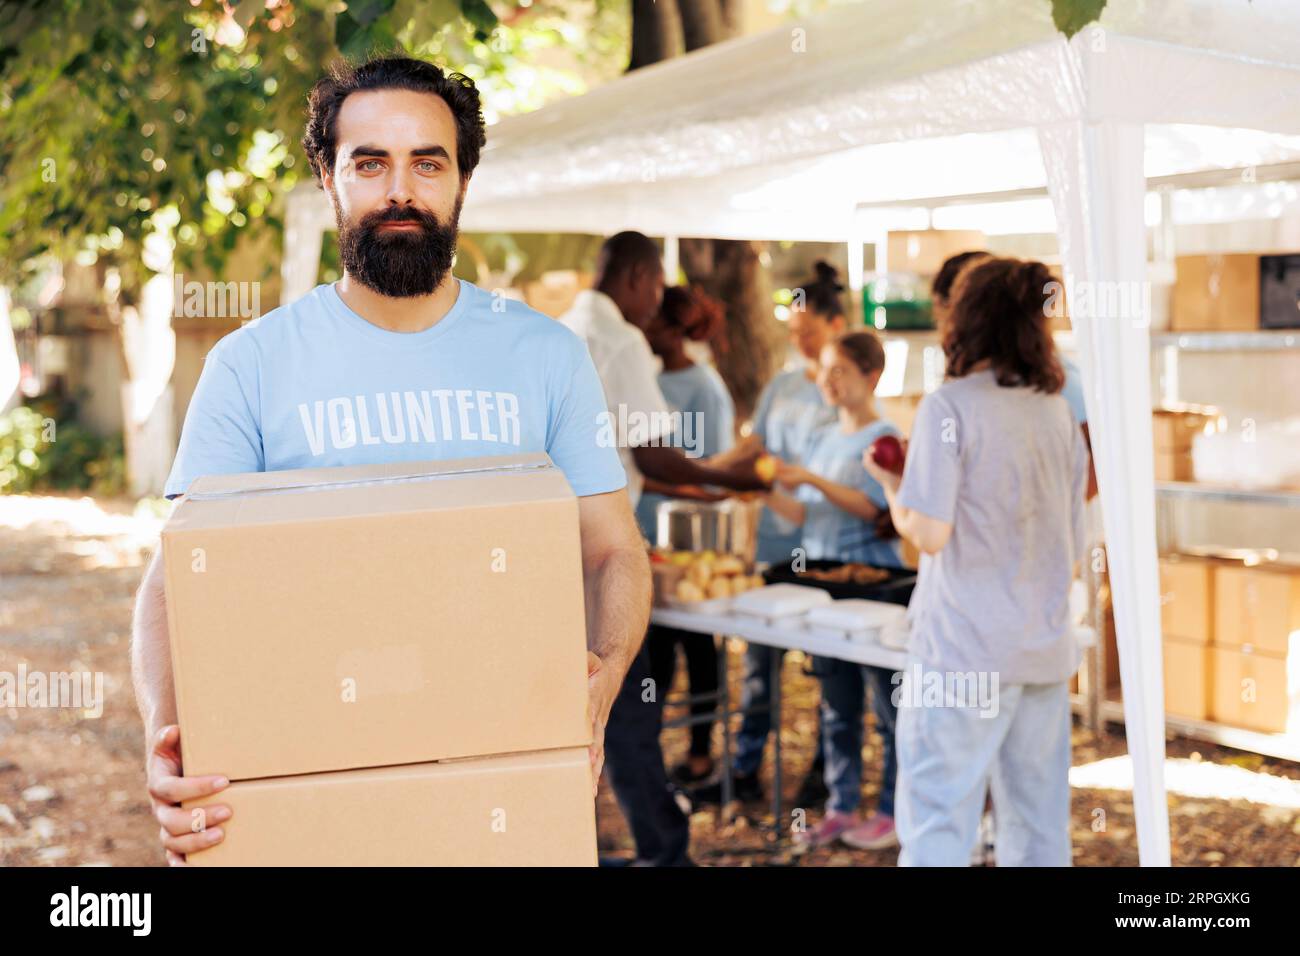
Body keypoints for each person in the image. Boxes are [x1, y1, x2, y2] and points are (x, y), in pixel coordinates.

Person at [131, 56, 650, 864]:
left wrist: (607, 674)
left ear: (462, 182)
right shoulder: (251, 365)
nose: (399, 189)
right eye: (369, 162)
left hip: (502, 793)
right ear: (329, 180)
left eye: (427, 162)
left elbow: (615, 549)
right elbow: (175, 580)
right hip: (308, 798)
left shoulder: (547, 356)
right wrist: (169, 734)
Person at [865, 256, 1090, 867]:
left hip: (963, 650)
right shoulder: (1056, 412)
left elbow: (930, 534)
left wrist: (891, 485)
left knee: (939, 823)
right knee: (1038, 826)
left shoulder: (951, 407)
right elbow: (1072, 538)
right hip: (1041, 647)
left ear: (965, 319)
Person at [559, 232, 767, 866]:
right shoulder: (618, 339)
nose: (658, 301)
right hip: (603, 550)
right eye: (655, 285)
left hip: (556, 548)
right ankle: (664, 850)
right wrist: (732, 478)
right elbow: (650, 451)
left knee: (574, 708)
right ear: (639, 277)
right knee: (627, 711)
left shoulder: (560, 328)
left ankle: (575, 846)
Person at [763, 331, 904, 850]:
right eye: (824, 369)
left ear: (871, 376)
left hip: (873, 589)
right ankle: (842, 806)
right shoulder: (822, 437)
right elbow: (804, 513)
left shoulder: (885, 437)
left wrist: (814, 481)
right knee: (836, 706)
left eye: (839, 370)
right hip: (821, 587)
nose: (827, 379)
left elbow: (878, 512)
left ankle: (892, 809)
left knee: (889, 708)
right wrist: (765, 490)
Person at [636, 286, 735, 786]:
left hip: (691, 539)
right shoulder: (645, 377)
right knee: (654, 648)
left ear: (675, 331)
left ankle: (700, 752)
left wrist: (655, 479)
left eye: (654, 323)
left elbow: (709, 467)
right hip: (645, 536)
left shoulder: (703, 386)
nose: (644, 332)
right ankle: (649, 749)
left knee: (693, 647)